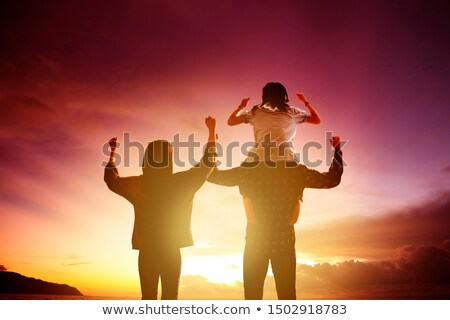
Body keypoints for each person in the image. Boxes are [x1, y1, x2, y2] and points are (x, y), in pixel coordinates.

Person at [207, 136, 343, 300]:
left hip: (255, 243)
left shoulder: (247, 171)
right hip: (283, 244)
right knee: (287, 297)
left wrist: (212, 136)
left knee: (252, 298)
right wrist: (337, 150)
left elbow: (211, 175)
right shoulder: (297, 172)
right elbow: (331, 179)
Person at [104, 116, 217, 300]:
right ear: (169, 159)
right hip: (171, 251)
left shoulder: (138, 185)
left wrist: (113, 152)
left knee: (148, 299)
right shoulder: (181, 183)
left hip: (147, 252)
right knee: (170, 299)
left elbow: (111, 180)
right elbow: (208, 162)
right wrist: (211, 131)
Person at [227, 82, 321, 163]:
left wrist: (241, 107)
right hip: (286, 158)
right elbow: (316, 120)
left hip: (259, 158)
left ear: (264, 96)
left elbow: (231, 121)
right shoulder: (292, 112)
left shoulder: (256, 112)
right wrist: (305, 102)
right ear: (283, 96)